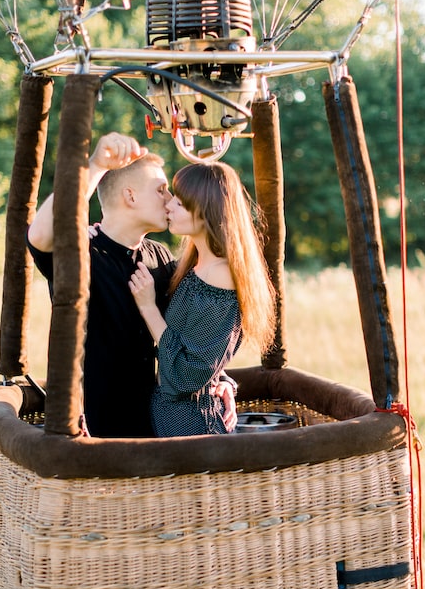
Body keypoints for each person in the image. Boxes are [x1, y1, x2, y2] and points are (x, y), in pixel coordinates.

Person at [27, 132, 236, 438]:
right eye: (162, 190)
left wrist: (220, 380)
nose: (170, 200)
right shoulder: (82, 254)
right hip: (96, 431)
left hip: (156, 426)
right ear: (130, 196)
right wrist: (97, 165)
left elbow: (188, 337)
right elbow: (39, 234)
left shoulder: (161, 258)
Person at [129, 162, 276, 437]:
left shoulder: (220, 277)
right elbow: (206, 353)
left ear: (207, 213)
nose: (169, 206)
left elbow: (188, 375)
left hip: (192, 428)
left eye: (181, 203)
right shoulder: (197, 267)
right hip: (174, 421)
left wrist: (149, 308)